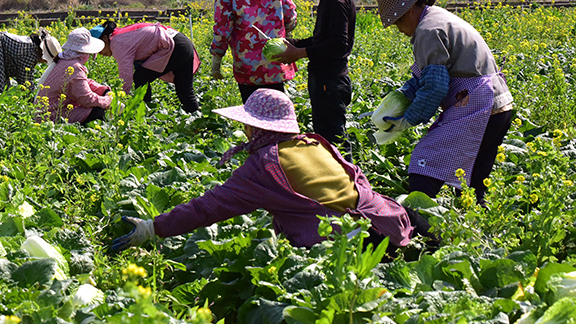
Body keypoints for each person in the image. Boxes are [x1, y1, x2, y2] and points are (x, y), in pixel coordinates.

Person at [110, 89, 418, 251]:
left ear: (255, 127)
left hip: (343, 246)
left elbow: (208, 207)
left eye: (246, 123)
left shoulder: (263, 165)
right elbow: (358, 179)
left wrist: (154, 227)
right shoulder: (315, 143)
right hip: (388, 224)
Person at [376, 0, 513, 203]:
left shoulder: (427, 31)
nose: (398, 29)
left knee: (425, 160)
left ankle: (421, 224)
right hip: (499, 108)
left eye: (397, 21)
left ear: (409, 10)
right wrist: (404, 94)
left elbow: (434, 87)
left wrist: (407, 120)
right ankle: (473, 230)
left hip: (479, 108)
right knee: (472, 183)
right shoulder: (437, 18)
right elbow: (432, 75)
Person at [272, 0, 355, 149]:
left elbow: (338, 44)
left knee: (334, 143)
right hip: (325, 80)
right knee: (328, 139)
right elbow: (322, 39)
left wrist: (299, 53)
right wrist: (291, 44)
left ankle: (350, 180)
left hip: (331, 81)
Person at [209, 0, 297, 103]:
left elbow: (222, 29)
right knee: (277, 112)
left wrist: (216, 60)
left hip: (247, 67)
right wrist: (288, 33)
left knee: (253, 115)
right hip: (276, 60)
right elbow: (290, 16)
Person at [91, 20, 201, 114]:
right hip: (182, 43)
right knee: (185, 91)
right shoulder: (119, 35)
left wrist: (118, 102)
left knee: (141, 77)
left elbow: (126, 76)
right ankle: (199, 122)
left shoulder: (117, 43)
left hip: (175, 46)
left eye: (99, 48)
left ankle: (144, 114)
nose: (100, 53)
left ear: (105, 38)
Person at [36, 27, 112, 124]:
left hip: (43, 113)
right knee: (98, 112)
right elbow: (86, 99)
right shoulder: (74, 67)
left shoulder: (64, 59)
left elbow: (82, 82)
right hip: (50, 118)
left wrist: (103, 89)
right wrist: (106, 101)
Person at [0, 29, 61, 93]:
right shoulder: (31, 52)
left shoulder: (31, 44)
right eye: (45, 60)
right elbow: (25, 82)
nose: (43, 62)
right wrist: (36, 100)